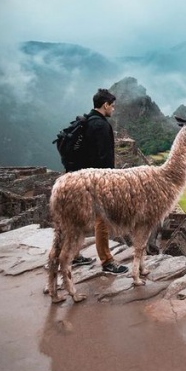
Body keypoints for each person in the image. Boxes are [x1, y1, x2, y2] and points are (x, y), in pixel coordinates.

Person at [71, 88, 128, 275]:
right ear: (105, 105)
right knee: (102, 220)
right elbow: (104, 159)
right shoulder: (101, 126)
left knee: (78, 219)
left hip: (78, 177)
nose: (113, 110)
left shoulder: (86, 121)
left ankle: (73, 255)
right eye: (112, 106)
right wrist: (110, 183)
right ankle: (107, 261)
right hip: (96, 180)